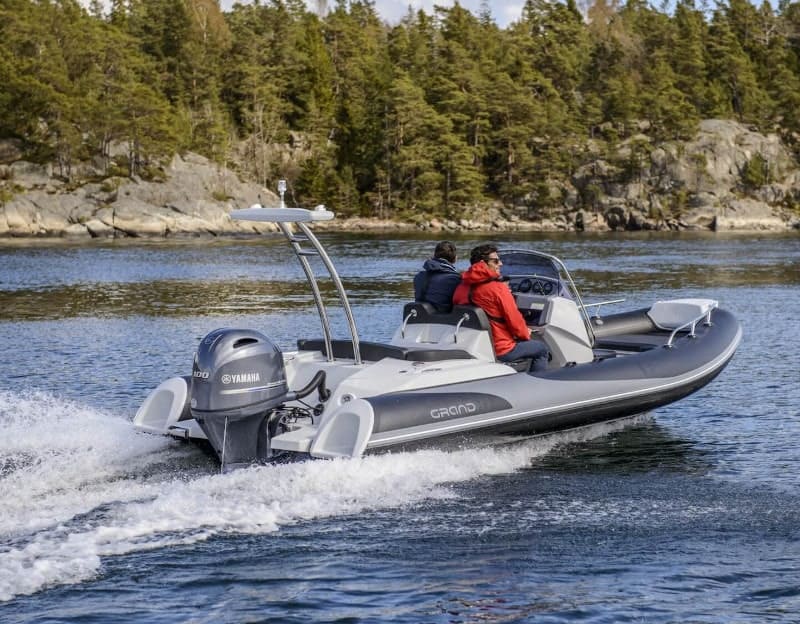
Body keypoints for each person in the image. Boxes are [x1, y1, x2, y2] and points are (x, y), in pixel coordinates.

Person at [452, 244, 550, 372]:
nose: (501, 263)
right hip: (501, 349)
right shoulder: (498, 288)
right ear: (483, 263)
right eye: (496, 261)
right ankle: (536, 382)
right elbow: (515, 322)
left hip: (474, 347)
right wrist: (526, 333)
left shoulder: (461, 287)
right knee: (542, 350)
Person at [413, 241, 461, 313]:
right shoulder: (456, 279)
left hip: (418, 315)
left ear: (434, 256)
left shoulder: (418, 276)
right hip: (443, 317)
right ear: (455, 258)